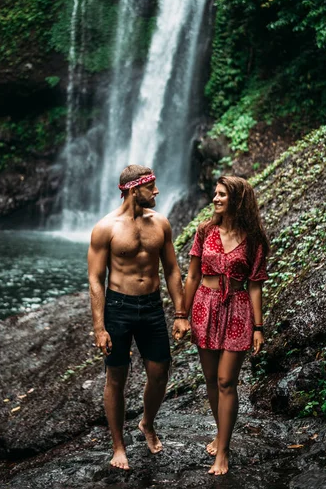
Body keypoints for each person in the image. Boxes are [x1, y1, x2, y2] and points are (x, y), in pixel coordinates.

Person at [88, 165, 190, 470]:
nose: (157, 191)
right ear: (135, 190)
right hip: (118, 307)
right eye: (152, 187)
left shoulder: (161, 224)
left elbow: (172, 270)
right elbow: (95, 279)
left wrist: (181, 314)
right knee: (116, 377)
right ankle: (118, 446)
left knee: (160, 372)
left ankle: (147, 423)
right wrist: (98, 327)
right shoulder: (105, 228)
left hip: (151, 307)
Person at [183, 175, 269, 476]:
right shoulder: (204, 231)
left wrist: (259, 327)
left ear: (238, 200)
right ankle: (221, 434)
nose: (216, 199)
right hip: (205, 306)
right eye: (215, 194)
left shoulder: (254, 238)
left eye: (222, 195)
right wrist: (182, 315)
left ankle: (223, 451)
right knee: (210, 380)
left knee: (225, 381)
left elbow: (255, 285)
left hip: (238, 309)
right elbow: (192, 276)